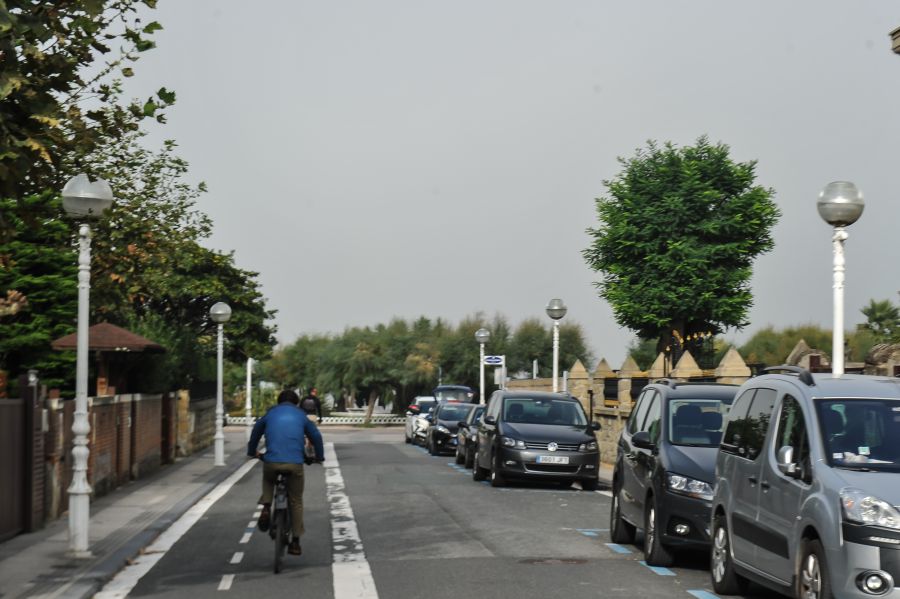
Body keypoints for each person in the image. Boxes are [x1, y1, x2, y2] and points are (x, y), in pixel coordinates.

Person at [247, 389, 324, 556]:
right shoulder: (301, 416)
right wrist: (320, 457)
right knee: (296, 501)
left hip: (272, 461)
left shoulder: (270, 414)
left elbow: (255, 432)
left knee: (268, 478)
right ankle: (295, 542)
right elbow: (316, 437)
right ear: (296, 403)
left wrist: (252, 451)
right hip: (295, 464)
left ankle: (266, 506)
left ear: (278, 401)